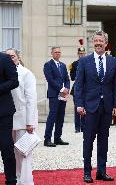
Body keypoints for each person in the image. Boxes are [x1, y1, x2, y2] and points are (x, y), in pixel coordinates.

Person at [75, 30, 116, 183]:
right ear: (93, 42)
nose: (98, 43)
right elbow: (79, 85)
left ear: (106, 43)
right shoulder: (84, 61)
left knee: (104, 141)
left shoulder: (113, 61)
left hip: (107, 108)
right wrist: (79, 104)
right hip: (89, 108)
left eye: (101, 41)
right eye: (96, 41)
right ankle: (87, 172)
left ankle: (102, 171)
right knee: (88, 140)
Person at [6, 48, 38, 185]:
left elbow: (31, 99)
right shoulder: (4, 73)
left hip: (24, 120)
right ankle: (16, 178)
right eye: (7, 57)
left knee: (24, 153)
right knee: (11, 153)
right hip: (8, 119)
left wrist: (30, 122)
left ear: (18, 57)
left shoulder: (26, 73)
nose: (10, 59)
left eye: (12, 56)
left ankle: (25, 181)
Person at [43, 46, 70, 147]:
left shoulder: (63, 65)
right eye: (55, 52)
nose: (57, 54)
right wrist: (61, 89)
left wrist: (67, 89)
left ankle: (57, 138)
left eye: (59, 52)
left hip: (63, 96)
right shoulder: (48, 65)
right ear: (52, 53)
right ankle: (47, 139)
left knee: (60, 117)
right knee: (52, 116)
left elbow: (67, 79)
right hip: (54, 95)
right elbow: (50, 79)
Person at [0, 52, 18, 185]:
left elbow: (14, 81)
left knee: (6, 147)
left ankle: (11, 180)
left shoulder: (5, 58)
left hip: (3, 112)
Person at [70, 39, 86, 133]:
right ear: (78, 54)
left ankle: (84, 126)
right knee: (77, 107)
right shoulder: (74, 64)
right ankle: (77, 127)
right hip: (77, 88)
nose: (82, 55)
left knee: (85, 108)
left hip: (86, 88)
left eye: (83, 53)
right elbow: (72, 77)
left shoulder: (88, 62)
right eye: (80, 53)